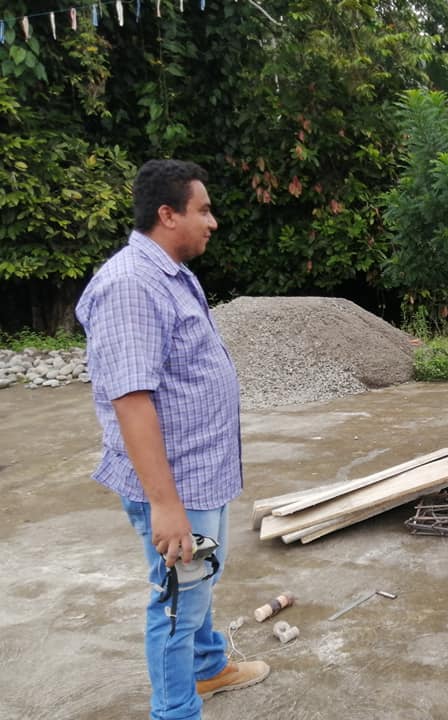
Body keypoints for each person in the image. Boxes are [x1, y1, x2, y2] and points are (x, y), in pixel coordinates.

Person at [76, 159, 269, 719]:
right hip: (174, 484)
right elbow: (131, 400)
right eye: (203, 210)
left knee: (199, 581)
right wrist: (165, 505)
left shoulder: (170, 273)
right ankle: (175, 710)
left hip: (200, 473)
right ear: (168, 215)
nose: (212, 222)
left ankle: (208, 669)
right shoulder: (131, 285)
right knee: (177, 604)